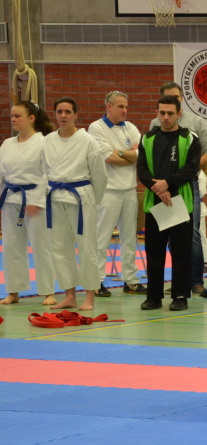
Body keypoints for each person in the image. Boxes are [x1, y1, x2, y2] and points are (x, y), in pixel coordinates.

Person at [136, 95, 202, 312]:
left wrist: (168, 184)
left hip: (180, 201)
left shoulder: (189, 138)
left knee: (181, 252)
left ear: (179, 114)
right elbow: (142, 169)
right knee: (154, 252)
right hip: (155, 202)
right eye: (162, 113)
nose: (165, 117)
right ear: (157, 113)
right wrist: (158, 187)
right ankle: (153, 297)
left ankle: (180, 296)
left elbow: (192, 168)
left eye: (170, 113)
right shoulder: (147, 139)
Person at [42, 97, 108, 312]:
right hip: (55, 197)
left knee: (87, 248)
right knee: (59, 248)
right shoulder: (48, 140)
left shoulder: (88, 141)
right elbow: (43, 171)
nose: (63, 116)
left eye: (68, 112)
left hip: (81, 198)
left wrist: (93, 201)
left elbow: (100, 176)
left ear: (76, 115)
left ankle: (89, 296)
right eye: (59, 112)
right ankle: (69, 295)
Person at [153, 81, 207, 295]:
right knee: (170, 235)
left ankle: (196, 280)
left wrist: (185, 168)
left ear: (181, 100)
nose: (167, 114)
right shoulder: (155, 123)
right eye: (169, 97)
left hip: (189, 183)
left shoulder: (195, 121)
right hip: (165, 187)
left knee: (192, 233)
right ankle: (179, 280)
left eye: (177, 97)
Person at [89, 90, 144, 297]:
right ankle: (96, 281)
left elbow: (141, 155)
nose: (125, 110)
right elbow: (108, 158)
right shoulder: (96, 127)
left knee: (130, 237)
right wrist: (129, 155)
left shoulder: (130, 127)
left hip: (129, 189)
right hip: (107, 191)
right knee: (101, 237)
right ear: (109, 106)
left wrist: (120, 152)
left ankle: (131, 281)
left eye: (126, 107)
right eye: (120, 106)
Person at [0, 101, 56, 306]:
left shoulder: (44, 143)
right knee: (11, 247)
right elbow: (1, 175)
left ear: (32, 118)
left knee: (42, 247)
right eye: (12, 116)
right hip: (10, 200)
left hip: (36, 201)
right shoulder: (7, 144)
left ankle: (48, 291)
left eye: (18, 116)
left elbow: (49, 175)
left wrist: (37, 201)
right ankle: (13, 291)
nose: (13, 119)